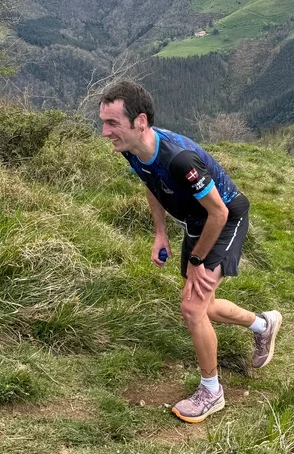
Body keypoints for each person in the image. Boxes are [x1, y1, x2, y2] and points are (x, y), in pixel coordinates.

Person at [99, 81, 282, 424]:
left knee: (192, 307)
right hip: (198, 222)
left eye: (112, 123)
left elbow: (220, 212)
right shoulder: (132, 148)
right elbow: (151, 184)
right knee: (204, 306)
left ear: (140, 121)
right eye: (103, 123)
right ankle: (263, 325)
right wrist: (160, 233)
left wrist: (197, 260)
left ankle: (211, 391)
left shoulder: (179, 159)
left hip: (225, 217)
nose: (105, 132)